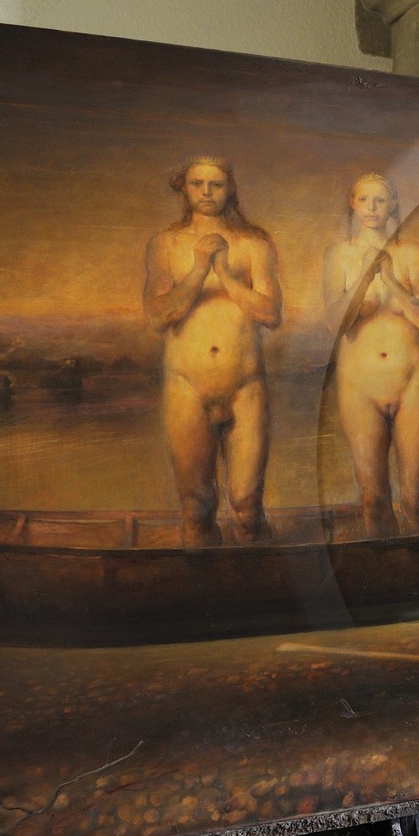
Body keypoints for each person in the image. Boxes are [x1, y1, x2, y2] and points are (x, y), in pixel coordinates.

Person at [143, 156, 282, 546]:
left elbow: (270, 314)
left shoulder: (255, 243)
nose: (206, 192)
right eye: (198, 184)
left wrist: (224, 273)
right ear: (184, 189)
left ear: (230, 189)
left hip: (246, 387)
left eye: (216, 184)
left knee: (247, 506)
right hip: (187, 388)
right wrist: (200, 267)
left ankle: (257, 590)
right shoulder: (166, 243)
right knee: (196, 506)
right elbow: (158, 316)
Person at [322, 173, 419, 537]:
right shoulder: (339, 254)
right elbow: (334, 325)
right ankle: (386, 576)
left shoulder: (411, 253)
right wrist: (363, 276)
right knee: (373, 499)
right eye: (364, 200)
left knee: (416, 497)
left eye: (380, 201)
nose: (372, 208)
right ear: (353, 205)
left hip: (413, 383)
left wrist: (389, 280)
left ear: (393, 206)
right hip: (360, 387)